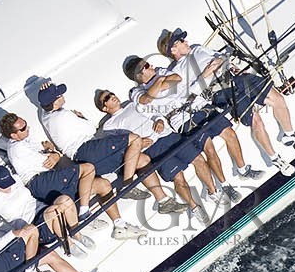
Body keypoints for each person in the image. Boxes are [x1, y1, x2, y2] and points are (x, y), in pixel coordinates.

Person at [159, 27, 295, 174]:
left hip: (235, 77)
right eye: (182, 41)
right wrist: (208, 72)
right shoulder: (177, 72)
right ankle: (276, 159)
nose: (187, 41)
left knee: (277, 98)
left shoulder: (197, 48)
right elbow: (193, 92)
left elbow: (220, 57)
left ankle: (290, 134)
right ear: (173, 49)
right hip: (221, 91)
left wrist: (219, 62)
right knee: (256, 121)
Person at [36, 81, 185, 213]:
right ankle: (128, 186)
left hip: (87, 154)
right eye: (58, 95)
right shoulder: (62, 116)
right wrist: (81, 119)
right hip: (87, 149)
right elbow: (90, 130)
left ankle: (163, 201)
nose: (62, 95)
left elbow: (45, 107)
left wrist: (45, 89)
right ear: (54, 102)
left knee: (142, 159)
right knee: (135, 139)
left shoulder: (46, 115)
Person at [0, 112, 143, 241]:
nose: (27, 128)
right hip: (39, 181)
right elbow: (47, 162)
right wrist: (53, 154)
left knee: (103, 184)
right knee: (88, 168)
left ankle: (119, 226)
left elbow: (48, 154)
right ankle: (84, 213)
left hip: (50, 179)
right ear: (13, 135)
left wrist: (51, 153)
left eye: (26, 124)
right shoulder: (17, 148)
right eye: (23, 128)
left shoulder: (24, 141)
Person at [123, 57, 242, 207]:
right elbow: (146, 99)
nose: (152, 65)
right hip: (180, 117)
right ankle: (224, 186)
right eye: (147, 65)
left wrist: (157, 86)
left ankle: (242, 169)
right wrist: (161, 82)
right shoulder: (135, 91)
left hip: (197, 104)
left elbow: (176, 79)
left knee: (229, 132)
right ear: (139, 75)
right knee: (209, 147)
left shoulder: (159, 71)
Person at [93, 88, 216, 212]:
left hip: (168, 136)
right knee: (178, 177)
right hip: (152, 149)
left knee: (199, 159)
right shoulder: (109, 125)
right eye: (107, 98)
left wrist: (160, 121)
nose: (112, 96)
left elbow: (154, 113)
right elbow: (118, 144)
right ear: (104, 108)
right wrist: (139, 143)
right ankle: (195, 208)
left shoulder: (132, 104)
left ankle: (213, 192)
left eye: (111, 93)